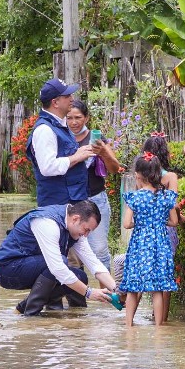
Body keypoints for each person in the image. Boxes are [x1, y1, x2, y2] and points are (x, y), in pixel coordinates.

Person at [0, 200, 118, 316]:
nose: (86, 235)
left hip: (35, 266)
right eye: (86, 230)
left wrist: (118, 290)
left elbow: (94, 264)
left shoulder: (74, 228)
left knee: (80, 276)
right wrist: (89, 293)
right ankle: (30, 315)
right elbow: (57, 268)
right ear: (75, 219)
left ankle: (78, 316)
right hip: (7, 270)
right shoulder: (47, 223)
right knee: (61, 265)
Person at [120, 153, 179, 326]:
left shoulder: (134, 197)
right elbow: (174, 222)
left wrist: (141, 223)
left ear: (138, 175)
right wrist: (159, 222)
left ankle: (129, 325)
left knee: (133, 286)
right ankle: (159, 328)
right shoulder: (166, 197)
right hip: (160, 244)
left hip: (140, 244)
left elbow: (126, 224)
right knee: (157, 289)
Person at [66, 100, 121, 268]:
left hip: (95, 198)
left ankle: (108, 292)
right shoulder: (63, 137)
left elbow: (114, 168)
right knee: (72, 254)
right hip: (71, 201)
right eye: (69, 118)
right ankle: (80, 293)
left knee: (100, 250)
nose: (74, 122)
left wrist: (103, 151)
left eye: (78, 117)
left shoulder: (96, 138)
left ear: (86, 118)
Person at [27, 78, 96, 206]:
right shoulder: (45, 130)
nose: (72, 99)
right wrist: (76, 157)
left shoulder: (60, 125)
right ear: (55, 102)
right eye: (67, 96)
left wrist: (79, 152)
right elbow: (48, 167)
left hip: (72, 203)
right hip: (58, 207)